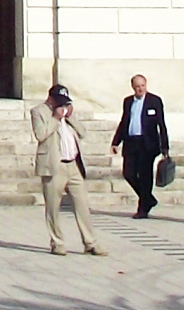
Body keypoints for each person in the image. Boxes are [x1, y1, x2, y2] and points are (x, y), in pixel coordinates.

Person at [31, 87, 105, 255]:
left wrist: (70, 116)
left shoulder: (67, 114)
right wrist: (56, 118)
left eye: (64, 103)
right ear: (51, 99)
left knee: (82, 205)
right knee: (53, 207)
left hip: (73, 165)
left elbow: (83, 133)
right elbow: (40, 134)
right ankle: (57, 243)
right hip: (54, 166)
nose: (62, 106)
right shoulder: (39, 112)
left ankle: (90, 242)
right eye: (59, 102)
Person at [111, 73, 169, 217]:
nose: (140, 89)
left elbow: (161, 124)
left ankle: (143, 208)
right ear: (133, 87)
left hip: (147, 144)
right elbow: (124, 121)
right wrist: (116, 142)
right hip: (131, 142)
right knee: (128, 173)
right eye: (137, 86)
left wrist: (165, 146)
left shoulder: (154, 101)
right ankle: (148, 199)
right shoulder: (128, 101)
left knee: (145, 176)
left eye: (142, 86)